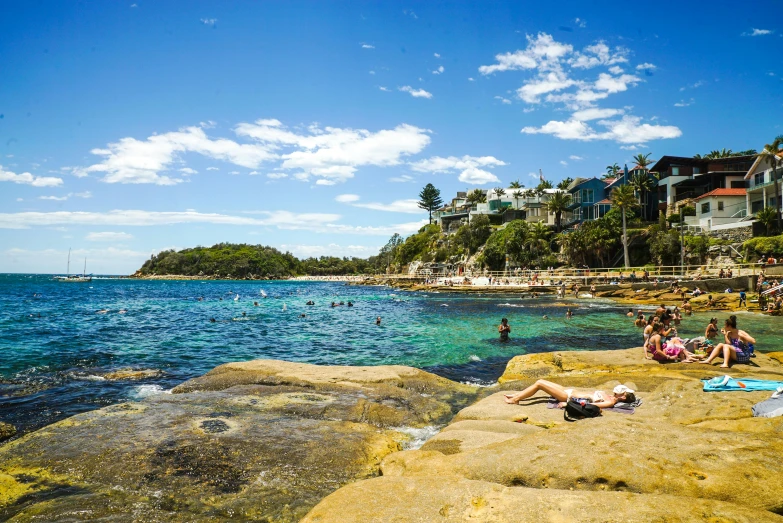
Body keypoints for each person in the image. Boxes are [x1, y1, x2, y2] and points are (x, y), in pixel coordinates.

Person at [503, 381, 636, 410]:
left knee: (539, 384)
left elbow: (591, 405)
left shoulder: (609, 402)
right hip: (568, 390)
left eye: (623, 392)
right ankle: (517, 394)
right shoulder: (610, 396)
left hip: (566, 396)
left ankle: (516, 399)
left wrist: (568, 404)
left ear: (623, 397)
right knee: (541, 381)